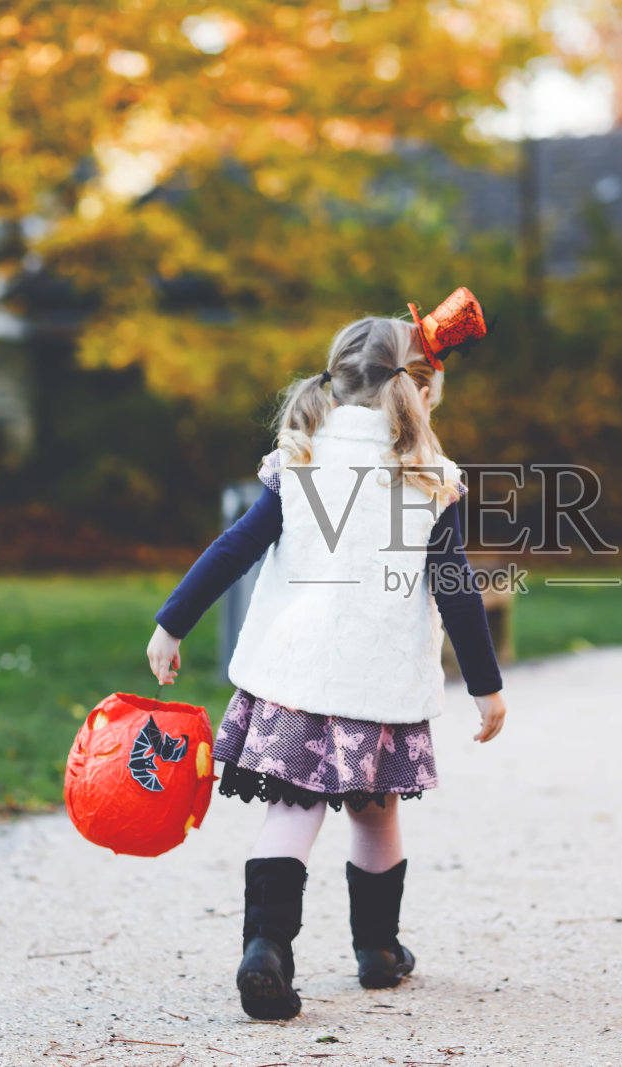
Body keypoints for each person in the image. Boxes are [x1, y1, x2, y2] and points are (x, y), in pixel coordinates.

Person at [146, 313, 508, 1022]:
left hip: (297, 678)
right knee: (376, 815)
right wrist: (487, 688)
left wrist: (171, 621)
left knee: (292, 809)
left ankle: (265, 950)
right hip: (376, 689)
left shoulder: (302, 459)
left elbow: (236, 546)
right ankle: (378, 951)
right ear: (423, 393)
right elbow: (457, 591)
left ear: (336, 379)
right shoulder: (428, 478)